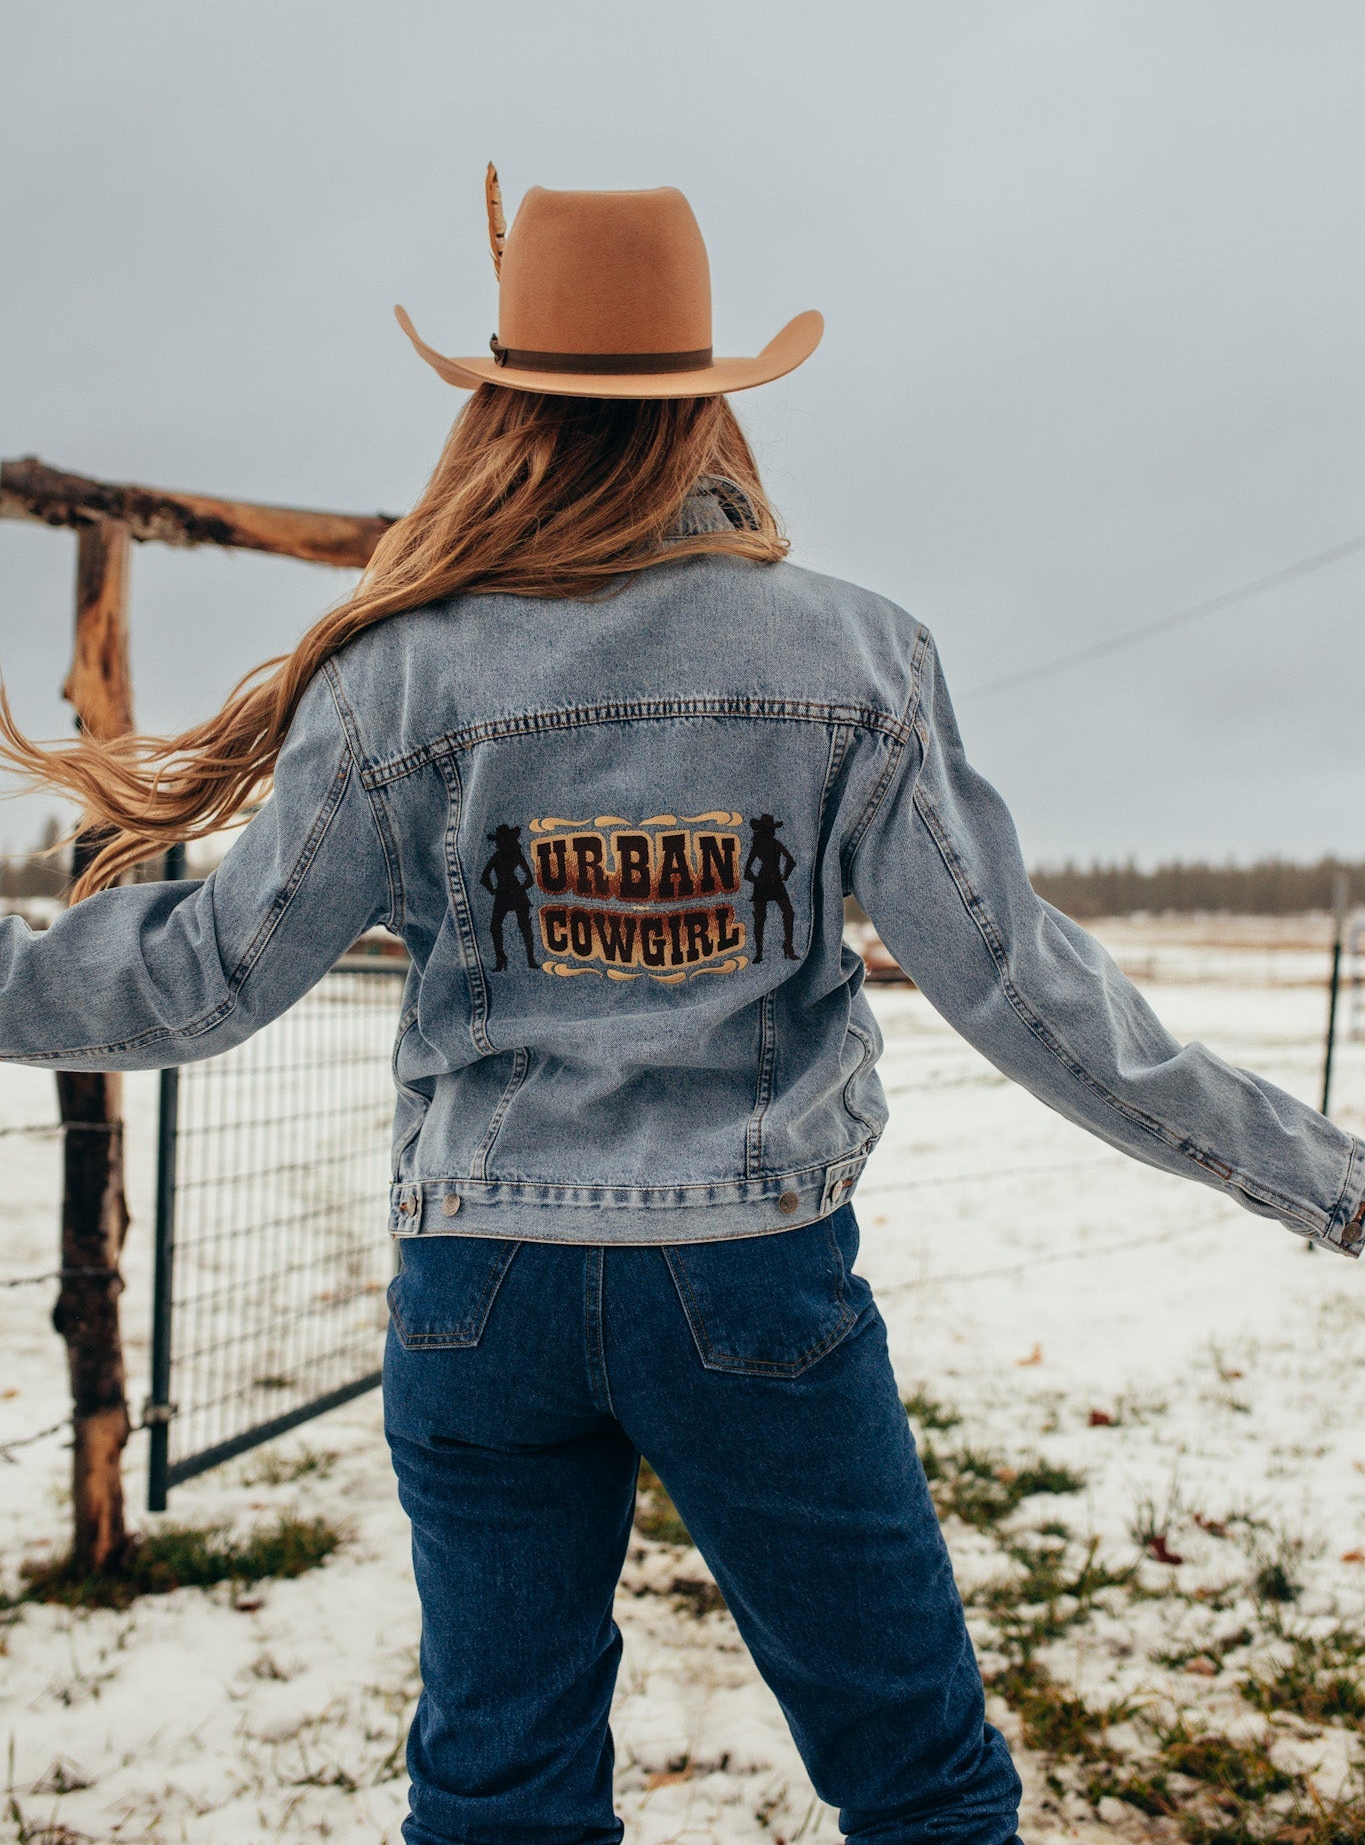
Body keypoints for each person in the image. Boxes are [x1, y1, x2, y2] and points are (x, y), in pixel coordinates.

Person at [1, 168, 1361, 1845]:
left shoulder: (396, 676)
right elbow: (1029, 993)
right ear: (705, 403)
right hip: (750, 1288)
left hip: (476, 1291)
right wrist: (1326, 1178)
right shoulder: (850, 658)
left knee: (499, 1791)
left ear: (502, 408)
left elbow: (201, 978)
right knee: (918, 1777)